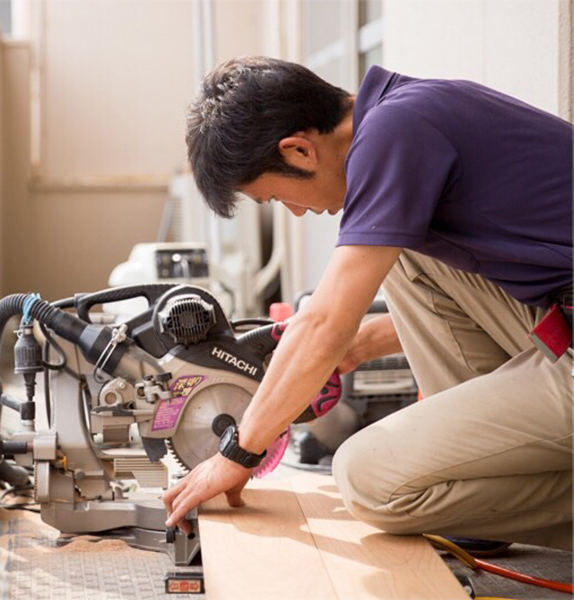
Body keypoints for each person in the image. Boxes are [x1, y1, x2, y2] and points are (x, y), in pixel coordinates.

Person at [162, 56, 573, 550]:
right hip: (560, 315)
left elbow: (323, 324)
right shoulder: (407, 113)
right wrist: (359, 343)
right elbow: (340, 324)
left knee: (367, 479)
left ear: (299, 151)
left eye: (276, 198)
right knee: (397, 247)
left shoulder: (397, 132)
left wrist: (237, 453)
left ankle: (469, 497)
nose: (296, 212)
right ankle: (472, 498)